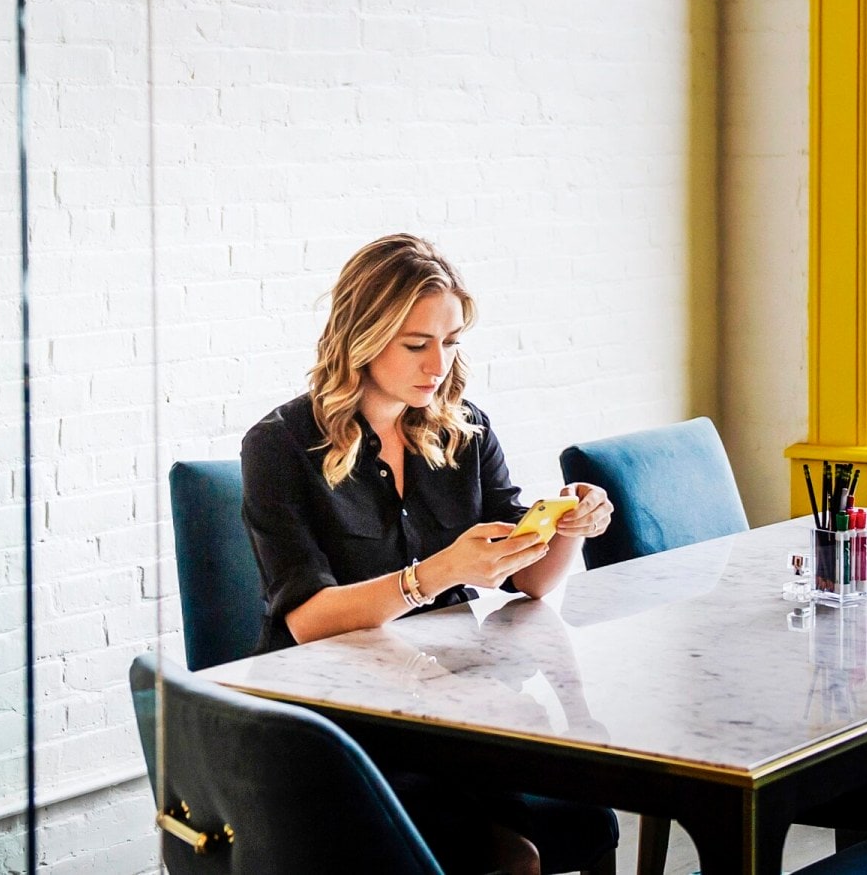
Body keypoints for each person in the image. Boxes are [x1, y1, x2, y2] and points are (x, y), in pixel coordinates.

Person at [240, 233, 614, 875]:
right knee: (510, 853)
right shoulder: (279, 447)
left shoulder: (462, 428)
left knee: (573, 805)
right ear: (362, 336)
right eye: (416, 344)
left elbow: (527, 580)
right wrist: (434, 575)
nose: (437, 363)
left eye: (450, 342)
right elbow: (303, 620)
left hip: (451, 701)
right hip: (333, 717)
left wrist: (568, 529)